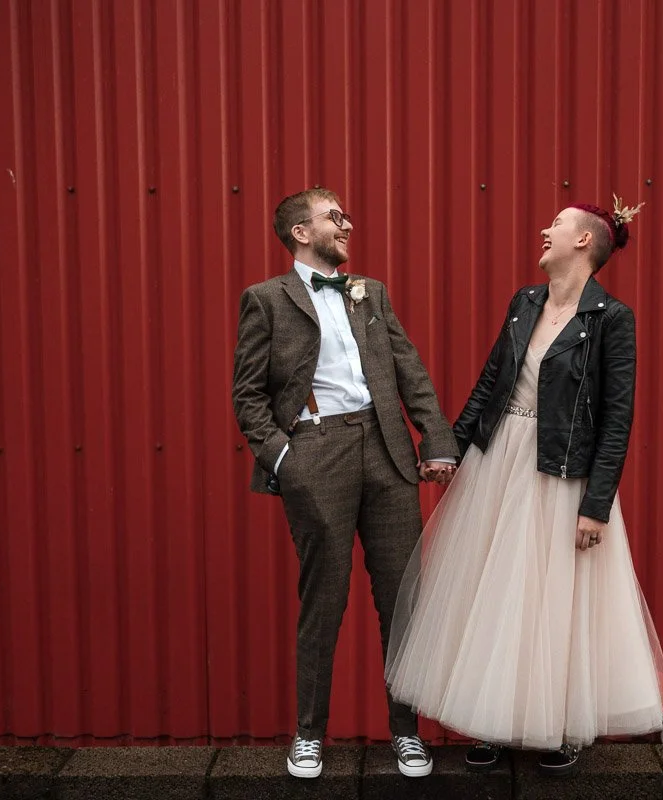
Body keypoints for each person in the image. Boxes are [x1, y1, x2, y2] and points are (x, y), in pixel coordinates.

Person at [384, 196, 663, 776]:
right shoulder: (525, 303)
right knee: (492, 594)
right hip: (500, 463)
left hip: (564, 473)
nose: (545, 229)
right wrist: (449, 449)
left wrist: (596, 507)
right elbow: (491, 381)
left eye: (558, 224)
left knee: (556, 601)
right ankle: (494, 721)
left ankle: (561, 723)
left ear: (585, 241)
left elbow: (618, 419)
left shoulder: (611, 320)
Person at [232, 188, 459, 779]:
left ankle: (406, 733)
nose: (347, 224)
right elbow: (247, 394)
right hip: (317, 453)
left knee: (402, 600)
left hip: (387, 453)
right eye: (334, 217)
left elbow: (408, 366)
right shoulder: (266, 300)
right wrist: (284, 459)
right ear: (302, 233)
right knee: (324, 601)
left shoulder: (371, 292)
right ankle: (308, 735)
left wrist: (435, 440)